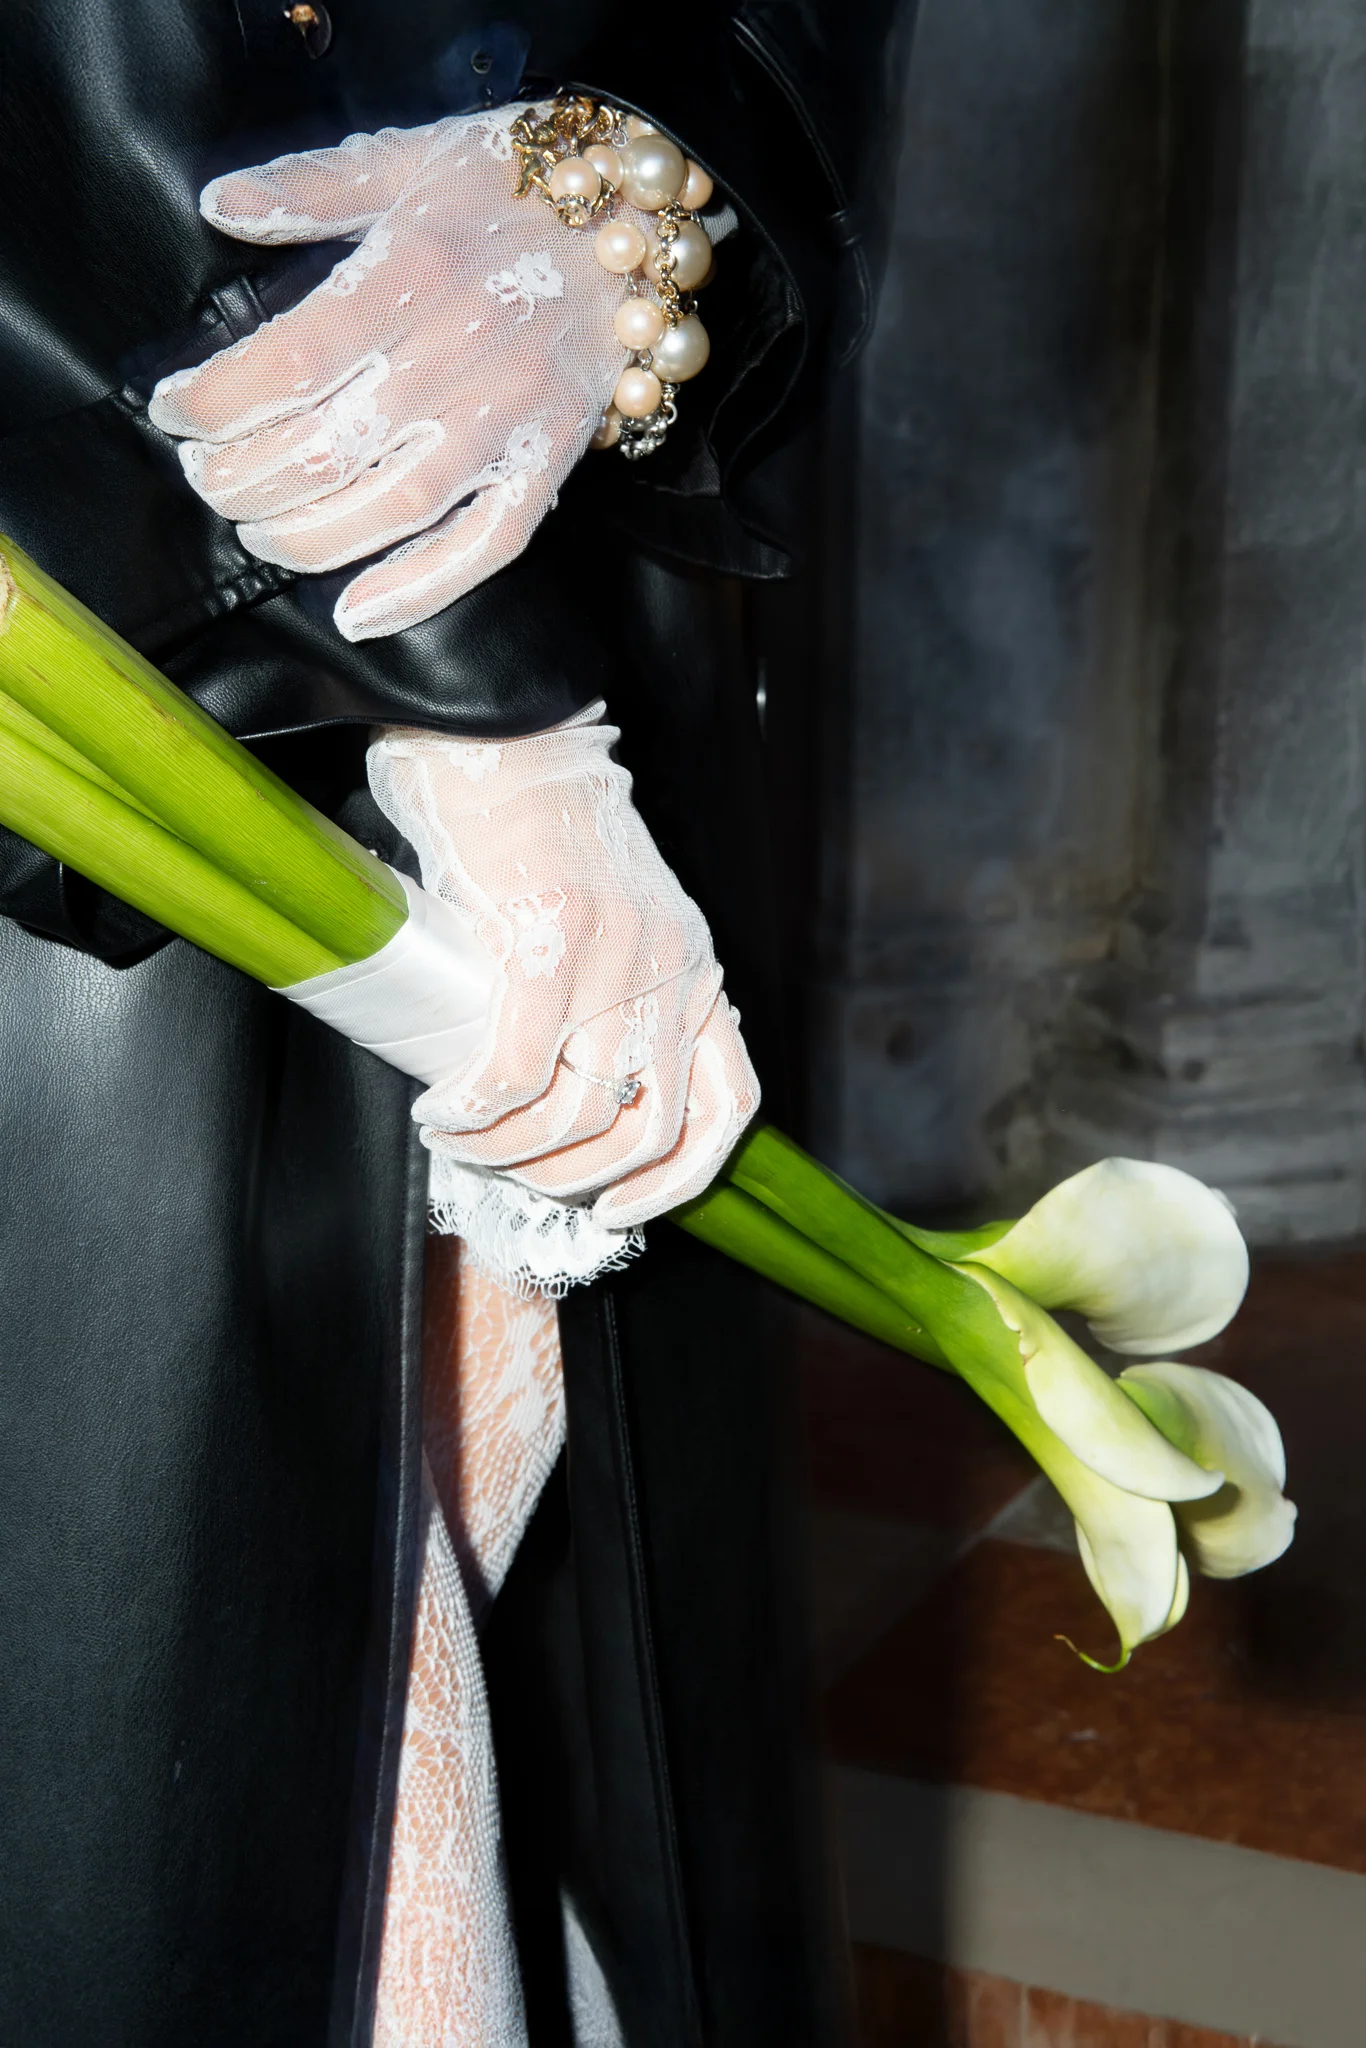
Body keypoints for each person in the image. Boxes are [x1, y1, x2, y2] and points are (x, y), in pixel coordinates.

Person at [0, 4, 902, 2042]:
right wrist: (480, 693)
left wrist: (642, 174)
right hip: (137, 682)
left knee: (535, 1716)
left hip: (594, 546)